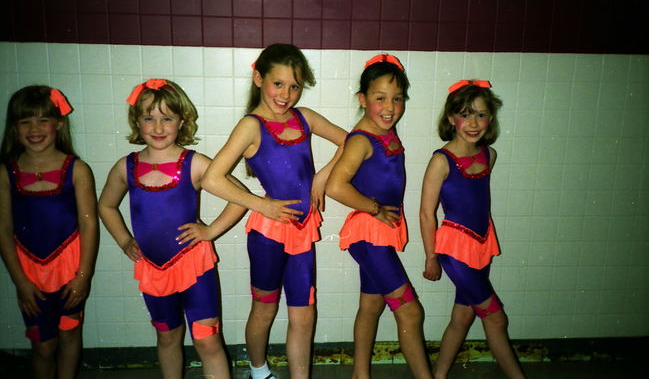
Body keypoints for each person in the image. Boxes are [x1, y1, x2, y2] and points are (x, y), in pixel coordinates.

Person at [201, 43, 346, 379]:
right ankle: (258, 369)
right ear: (258, 78)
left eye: (294, 86)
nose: (286, 94)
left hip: (302, 230)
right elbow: (212, 179)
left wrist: (323, 176)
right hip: (268, 235)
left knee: (304, 314)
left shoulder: (304, 117)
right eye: (277, 83)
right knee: (264, 310)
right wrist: (260, 204)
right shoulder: (252, 126)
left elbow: (351, 140)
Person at [98, 79, 246, 379]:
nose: (158, 126)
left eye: (167, 118)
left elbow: (240, 198)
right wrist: (125, 240)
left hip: (194, 266)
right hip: (153, 269)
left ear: (182, 121)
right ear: (136, 121)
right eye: (149, 118)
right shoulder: (125, 167)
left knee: (207, 339)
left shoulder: (194, 163)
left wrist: (210, 231)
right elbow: (105, 206)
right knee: (167, 337)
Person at [326, 54, 433, 379]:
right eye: (380, 98)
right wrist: (373, 207)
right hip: (368, 235)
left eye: (397, 98)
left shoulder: (383, 131)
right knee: (411, 313)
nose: (390, 107)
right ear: (363, 99)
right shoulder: (362, 138)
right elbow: (335, 187)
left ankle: (361, 375)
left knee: (371, 306)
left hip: (378, 235)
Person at [419, 80, 525, 379]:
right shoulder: (442, 161)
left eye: (481, 114)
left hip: (482, 246)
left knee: (463, 316)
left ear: (490, 118)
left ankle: (437, 376)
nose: (473, 122)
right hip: (454, 250)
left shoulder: (488, 155)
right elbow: (427, 214)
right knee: (496, 318)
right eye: (465, 114)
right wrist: (431, 256)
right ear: (451, 118)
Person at [0, 86, 99, 379]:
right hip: (30, 275)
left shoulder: (77, 169)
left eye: (43, 120)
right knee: (43, 346)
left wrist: (83, 275)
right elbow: (4, 230)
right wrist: (20, 281)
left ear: (58, 123)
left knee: (69, 335)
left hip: (70, 270)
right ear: (14, 128)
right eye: (25, 121)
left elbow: (89, 224)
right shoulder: (6, 172)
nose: (34, 128)